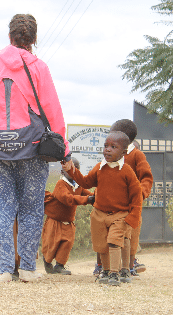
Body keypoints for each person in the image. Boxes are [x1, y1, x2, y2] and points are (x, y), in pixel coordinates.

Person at [0, 14, 70, 282]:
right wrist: (62, 146)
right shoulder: (39, 67)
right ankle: (28, 268)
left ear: (10, 36)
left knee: (1, 208)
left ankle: (6, 270)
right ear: (34, 39)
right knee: (31, 208)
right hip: (32, 145)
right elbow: (51, 107)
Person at [62, 131, 142, 286]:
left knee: (114, 242)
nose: (108, 149)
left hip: (119, 215)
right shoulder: (99, 168)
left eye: (113, 147)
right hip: (99, 214)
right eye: (106, 146)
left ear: (124, 152)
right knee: (102, 244)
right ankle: (105, 270)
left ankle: (115, 273)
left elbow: (137, 196)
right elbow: (85, 182)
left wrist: (133, 217)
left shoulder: (127, 171)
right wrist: (71, 170)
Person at [110, 119, 153, 277]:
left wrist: (139, 195)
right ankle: (103, 265)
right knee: (107, 234)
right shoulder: (111, 155)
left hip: (131, 206)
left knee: (131, 236)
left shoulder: (136, 155)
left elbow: (146, 178)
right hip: (112, 204)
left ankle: (129, 265)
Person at [42, 158, 93, 275]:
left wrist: (96, 198)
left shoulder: (79, 185)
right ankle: (47, 261)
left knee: (67, 242)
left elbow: (89, 195)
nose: (72, 171)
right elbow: (67, 198)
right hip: (54, 220)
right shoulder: (61, 184)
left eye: (76, 169)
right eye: (69, 169)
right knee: (51, 243)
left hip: (68, 221)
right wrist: (87, 199)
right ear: (62, 172)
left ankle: (59, 265)